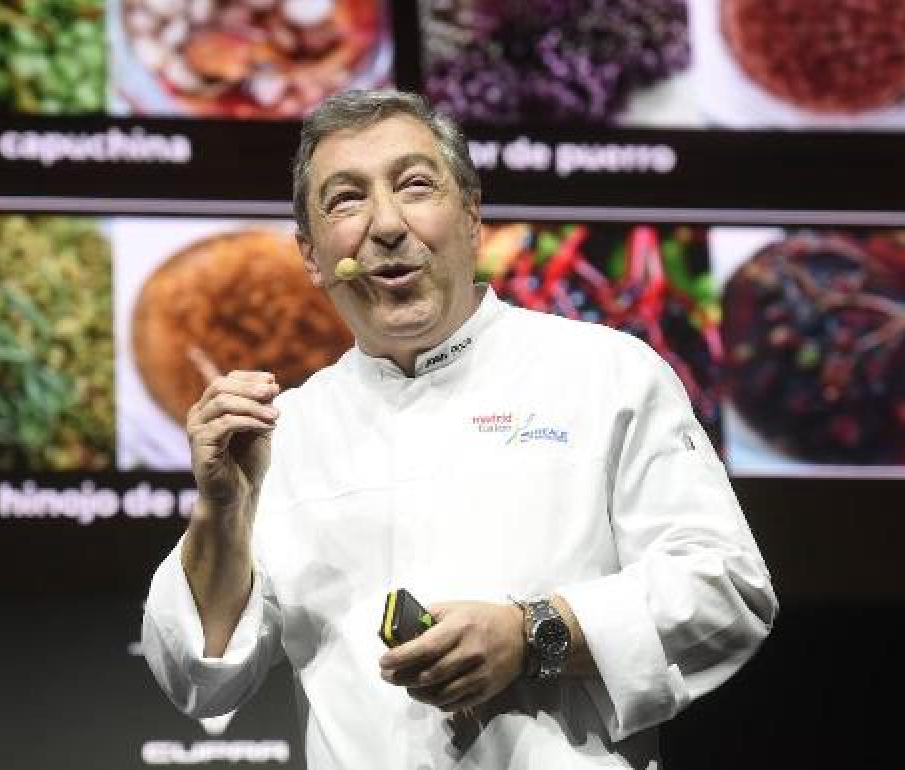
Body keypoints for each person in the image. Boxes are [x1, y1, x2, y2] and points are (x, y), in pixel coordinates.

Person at [142, 89, 777, 768]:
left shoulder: (605, 372)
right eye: (346, 199)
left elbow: (726, 586)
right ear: (311, 254)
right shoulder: (285, 431)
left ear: (472, 217)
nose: (385, 224)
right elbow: (200, 676)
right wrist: (221, 509)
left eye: (415, 185)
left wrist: (534, 632)